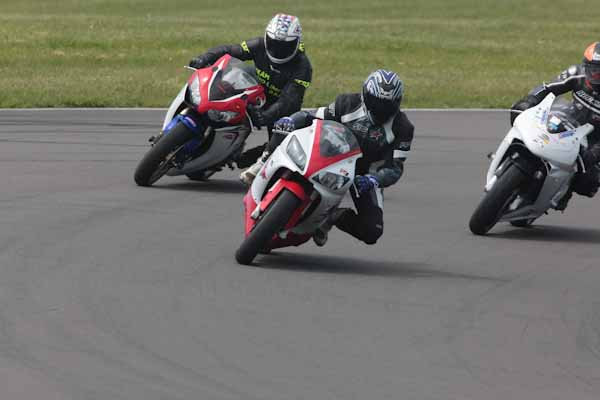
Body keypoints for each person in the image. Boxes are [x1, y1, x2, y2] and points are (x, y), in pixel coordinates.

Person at [262, 69, 414, 246]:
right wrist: (291, 120)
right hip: (331, 155)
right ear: (366, 95)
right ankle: (261, 167)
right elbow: (311, 116)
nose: (381, 109)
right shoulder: (347, 103)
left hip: (364, 176)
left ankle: (333, 217)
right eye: (377, 102)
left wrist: (374, 179)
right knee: (285, 138)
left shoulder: (403, 128)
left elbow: (395, 168)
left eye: (387, 105)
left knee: (372, 231)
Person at [189, 13, 312, 184]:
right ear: (267, 38)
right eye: (274, 44)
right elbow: (230, 50)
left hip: (280, 106)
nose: (278, 50)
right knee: (229, 78)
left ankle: (242, 157)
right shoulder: (259, 45)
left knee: (280, 145)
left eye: (285, 46)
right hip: (256, 90)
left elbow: (288, 100)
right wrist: (205, 57)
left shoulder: (302, 66)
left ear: (297, 43)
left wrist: (265, 116)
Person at [510, 42, 600, 202]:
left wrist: (596, 152)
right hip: (568, 116)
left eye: (599, 72)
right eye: (592, 70)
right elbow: (547, 88)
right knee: (520, 116)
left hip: (594, 138)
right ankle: (511, 155)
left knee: (588, 183)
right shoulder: (576, 73)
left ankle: (561, 193)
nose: (595, 75)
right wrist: (530, 100)